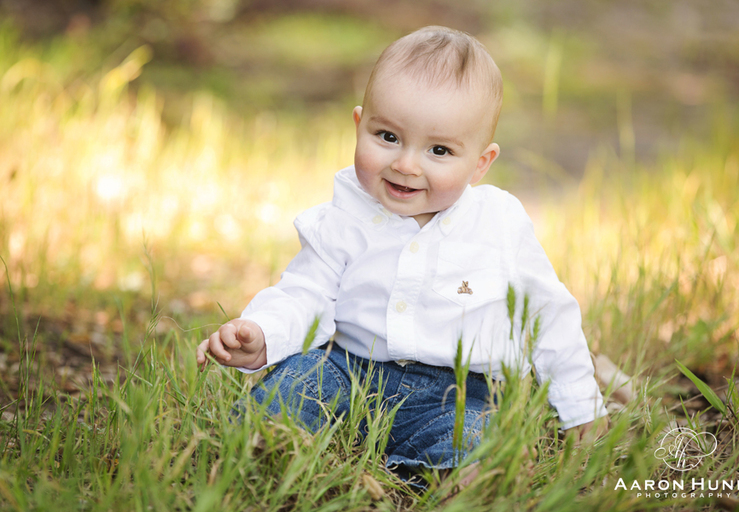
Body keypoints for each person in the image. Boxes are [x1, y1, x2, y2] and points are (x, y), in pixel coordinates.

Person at [196, 25, 608, 487]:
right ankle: (270, 443)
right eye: (388, 137)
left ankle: (464, 471)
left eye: (438, 150)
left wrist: (578, 403)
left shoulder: (500, 224)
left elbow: (547, 315)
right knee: (291, 386)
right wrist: (262, 332)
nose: (406, 164)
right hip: (346, 369)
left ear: (480, 163)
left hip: (457, 393)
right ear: (359, 125)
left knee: (478, 435)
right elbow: (306, 291)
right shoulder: (344, 214)